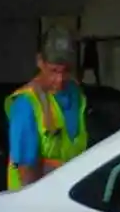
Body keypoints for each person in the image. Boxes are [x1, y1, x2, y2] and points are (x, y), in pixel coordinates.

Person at [6, 28, 89, 191]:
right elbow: (26, 174)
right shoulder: (26, 103)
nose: (59, 80)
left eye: (65, 71)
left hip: (70, 199)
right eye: (53, 71)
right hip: (34, 203)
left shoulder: (76, 95)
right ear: (39, 62)